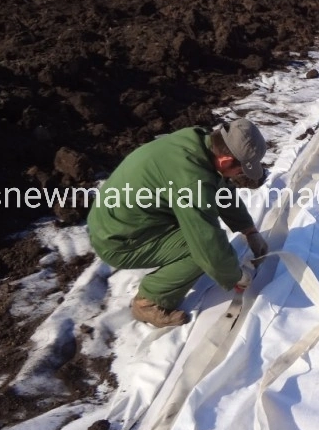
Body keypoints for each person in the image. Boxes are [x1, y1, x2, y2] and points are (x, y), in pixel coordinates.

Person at [87, 118, 270, 327]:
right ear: (226, 161)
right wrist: (236, 275)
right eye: (240, 170)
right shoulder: (192, 180)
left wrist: (249, 229)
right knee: (199, 251)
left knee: (203, 241)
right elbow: (206, 245)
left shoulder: (198, 143)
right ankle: (149, 302)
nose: (240, 175)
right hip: (118, 240)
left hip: (117, 221)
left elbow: (220, 187)